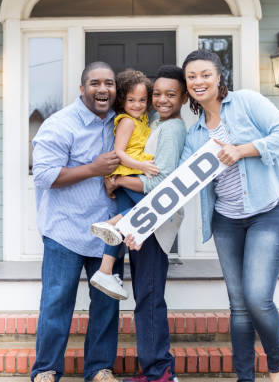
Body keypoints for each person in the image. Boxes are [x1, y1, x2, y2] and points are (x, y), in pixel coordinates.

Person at [179, 50, 279, 382]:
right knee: (239, 306)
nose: (198, 81)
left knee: (258, 298)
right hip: (227, 220)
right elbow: (180, 184)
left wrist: (242, 149)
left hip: (269, 210)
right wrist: (136, 223)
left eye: (205, 74)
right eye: (192, 77)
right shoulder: (195, 135)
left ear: (219, 77)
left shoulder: (246, 103)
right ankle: (244, 378)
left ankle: (277, 366)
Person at [30, 61, 123, 382]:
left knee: (106, 306)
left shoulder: (122, 123)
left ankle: (99, 368)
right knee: (57, 303)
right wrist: (93, 169)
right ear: (82, 89)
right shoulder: (60, 124)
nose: (103, 89)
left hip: (107, 233)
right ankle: (46, 369)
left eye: (109, 83)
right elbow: (43, 175)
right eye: (95, 83)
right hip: (64, 231)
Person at [114, 65, 188, 382]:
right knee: (146, 295)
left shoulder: (172, 129)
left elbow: (162, 184)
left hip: (155, 225)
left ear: (184, 97)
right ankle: (155, 369)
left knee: (150, 296)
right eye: (156, 94)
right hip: (144, 222)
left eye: (170, 94)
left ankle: (160, 371)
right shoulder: (156, 123)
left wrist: (120, 180)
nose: (161, 99)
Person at [89, 69, 159, 300]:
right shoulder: (127, 121)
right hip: (129, 173)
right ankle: (112, 223)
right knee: (154, 207)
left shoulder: (142, 119)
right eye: (131, 100)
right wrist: (143, 166)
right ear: (122, 100)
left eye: (142, 100)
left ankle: (105, 270)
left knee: (127, 222)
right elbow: (119, 152)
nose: (137, 105)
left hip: (129, 175)